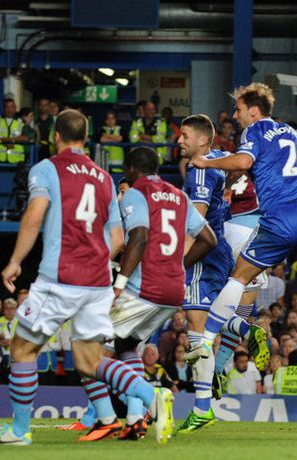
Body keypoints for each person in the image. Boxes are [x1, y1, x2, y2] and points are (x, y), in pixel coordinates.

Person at [0, 111, 174, 447]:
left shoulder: (46, 169)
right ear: (85, 138)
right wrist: (94, 263)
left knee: (23, 349)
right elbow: (117, 238)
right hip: (97, 283)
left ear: (55, 136)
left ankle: (20, 431)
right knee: (89, 361)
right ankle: (152, 396)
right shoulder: (105, 178)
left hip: (60, 278)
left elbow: (34, 215)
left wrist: (15, 261)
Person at [186, 84, 297, 382]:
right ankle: (224, 361)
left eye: (238, 110)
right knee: (244, 302)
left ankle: (208, 343)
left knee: (237, 279)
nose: (235, 115)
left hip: (269, 221)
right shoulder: (284, 132)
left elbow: (243, 162)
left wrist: (206, 162)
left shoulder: (250, 135)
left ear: (253, 111)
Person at [72, 145, 214, 441]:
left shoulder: (136, 193)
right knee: (126, 347)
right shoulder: (179, 196)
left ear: (131, 170)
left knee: (85, 351)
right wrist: (178, 266)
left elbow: (138, 236)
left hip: (142, 289)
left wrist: (120, 284)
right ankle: (135, 419)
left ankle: (144, 402)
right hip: (173, 292)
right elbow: (208, 239)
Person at [175, 114, 237, 432]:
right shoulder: (217, 158)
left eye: (185, 135)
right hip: (219, 249)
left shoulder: (200, 171)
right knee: (203, 328)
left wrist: (177, 265)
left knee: (197, 334)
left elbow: (196, 223)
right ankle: (241, 327)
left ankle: (202, 409)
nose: (179, 140)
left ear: (202, 140)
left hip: (204, 255)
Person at [0, 98, 28, 163]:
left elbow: (25, 138)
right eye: (7, 107)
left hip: (16, 160)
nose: (9, 110)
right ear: (4, 108)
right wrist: (4, 141)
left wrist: (10, 141)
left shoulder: (21, 122)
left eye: (12, 107)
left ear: (15, 108)